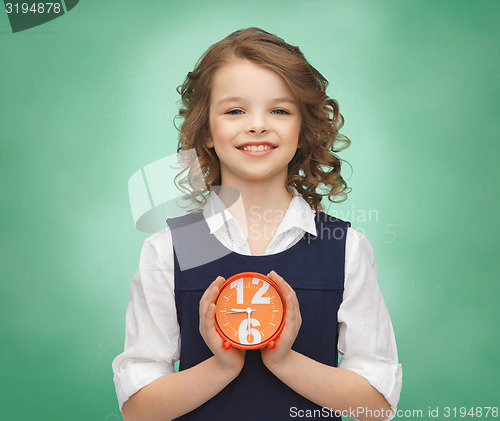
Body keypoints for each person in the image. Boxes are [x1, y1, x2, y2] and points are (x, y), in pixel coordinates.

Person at [112, 27, 402, 421]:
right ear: (207, 131)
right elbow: (139, 411)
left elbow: (376, 406)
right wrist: (223, 365)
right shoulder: (172, 249)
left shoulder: (342, 247)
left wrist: (284, 361)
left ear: (303, 129)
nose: (257, 125)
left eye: (279, 110)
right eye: (235, 111)